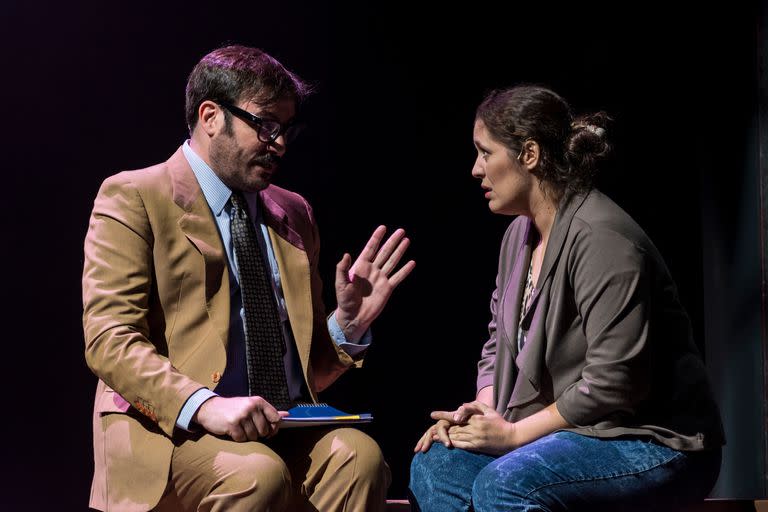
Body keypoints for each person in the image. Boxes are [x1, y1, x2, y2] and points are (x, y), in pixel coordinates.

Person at [82, 45, 415, 512]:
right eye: (265, 125)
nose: (279, 143)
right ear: (211, 116)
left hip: (280, 425)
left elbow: (306, 370)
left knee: (359, 457)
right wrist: (206, 404)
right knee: (257, 473)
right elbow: (109, 339)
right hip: (175, 430)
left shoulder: (294, 213)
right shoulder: (134, 196)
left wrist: (348, 324)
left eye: (286, 129)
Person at [408, 85, 724, 512]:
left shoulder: (601, 238)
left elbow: (615, 382)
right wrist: (482, 412)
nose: (475, 170)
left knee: (506, 486)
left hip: (650, 442)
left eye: (485, 153)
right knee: (437, 465)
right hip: (568, 435)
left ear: (530, 155)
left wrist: (515, 435)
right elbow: (497, 340)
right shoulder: (517, 236)